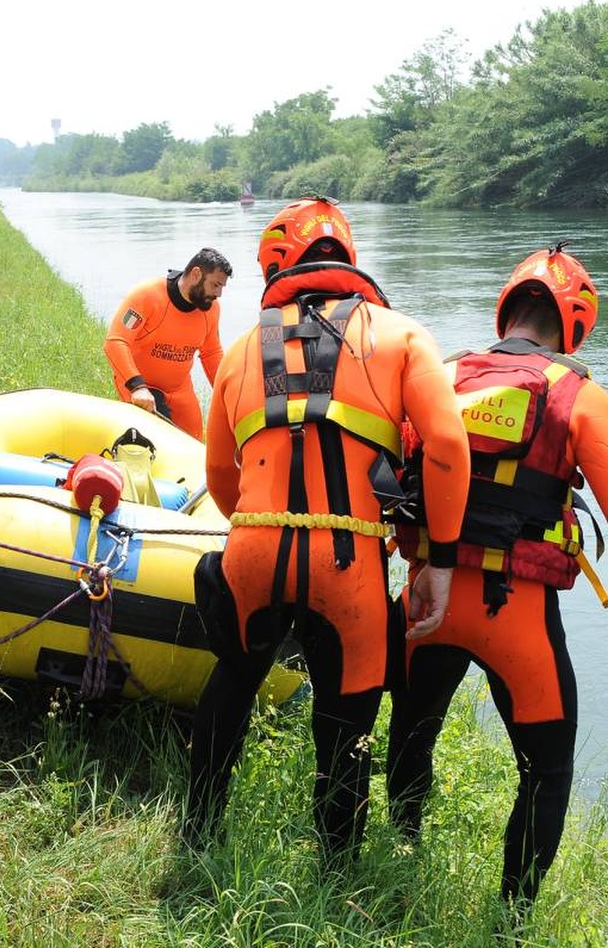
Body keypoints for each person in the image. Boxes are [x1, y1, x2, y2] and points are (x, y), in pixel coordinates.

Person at [185, 197, 471, 868]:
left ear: (277, 265)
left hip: (252, 543)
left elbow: (219, 474)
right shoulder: (401, 334)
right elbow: (449, 450)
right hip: (348, 558)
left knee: (232, 680)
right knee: (345, 721)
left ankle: (198, 835)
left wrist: (255, 531)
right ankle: (335, 868)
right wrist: (442, 560)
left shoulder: (237, 350)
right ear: (349, 258)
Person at [387, 243, 608, 909]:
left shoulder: (440, 375)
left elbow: (392, 479)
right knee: (548, 771)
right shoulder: (582, 395)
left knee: (410, 730)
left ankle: (401, 853)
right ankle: (512, 922)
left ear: (506, 306)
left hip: (427, 601)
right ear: (574, 323)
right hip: (518, 619)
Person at [103, 247, 231, 440]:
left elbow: (211, 354)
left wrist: (230, 394)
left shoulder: (211, 309)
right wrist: (138, 387)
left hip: (180, 390)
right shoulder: (147, 296)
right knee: (160, 440)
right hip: (141, 386)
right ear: (196, 274)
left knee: (194, 443)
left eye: (222, 287)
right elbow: (116, 342)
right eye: (215, 285)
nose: (219, 293)